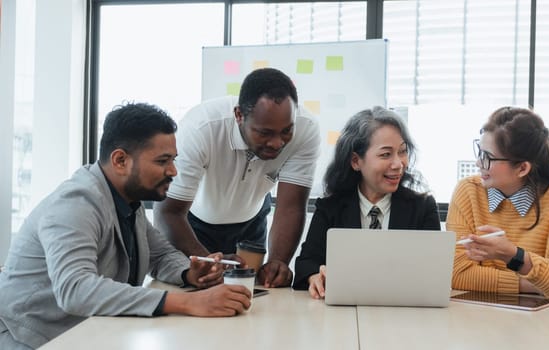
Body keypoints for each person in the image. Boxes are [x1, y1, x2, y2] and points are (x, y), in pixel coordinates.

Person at [0, 103, 252, 349]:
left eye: (173, 160)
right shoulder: (76, 204)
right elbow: (75, 289)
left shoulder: (126, 201)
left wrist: (189, 272)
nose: (174, 171)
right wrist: (187, 303)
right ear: (120, 160)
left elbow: (161, 254)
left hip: (87, 333)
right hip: (32, 338)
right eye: (163, 161)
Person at [154, 68, 320, 288]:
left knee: (253, 297)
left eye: (286, 131)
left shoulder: (306, 129)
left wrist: (278, 261)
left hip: (252, 223)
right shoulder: (201, 127)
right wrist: (212, 264)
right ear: (239, 115)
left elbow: (291, 207)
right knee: (199, 298)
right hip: (191, 226)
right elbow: (168, 212)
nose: (277, 143)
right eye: (265, 133)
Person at [446, 106, 549, 303]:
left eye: (488, 157)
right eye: (479, 152)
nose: (478, 163)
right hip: (479, 321)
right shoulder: (468, 192)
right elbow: (456, 273)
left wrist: (514, 257)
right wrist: (533, 284)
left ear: (522, 168)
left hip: (543, 325)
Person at [292, 107, 441, 298]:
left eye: (402, 152)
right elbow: (306, 263)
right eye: (386, 154)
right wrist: (314, 276)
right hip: (342, 317)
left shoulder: (423, 208)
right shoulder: (331, 208)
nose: (398, 164)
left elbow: (435, 274)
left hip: (405, 316)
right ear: (356, 161)